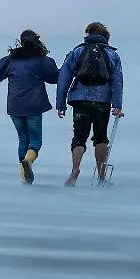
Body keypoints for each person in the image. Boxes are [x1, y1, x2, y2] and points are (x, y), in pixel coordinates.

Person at [0, 30, 60, 183]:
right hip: (34, 105)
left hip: (15, 105)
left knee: (23, 139)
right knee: (35, 140)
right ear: (37, 42)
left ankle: (25, 178)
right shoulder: (43, 61)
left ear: (21, 42)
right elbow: (56, 78)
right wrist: (71, 66)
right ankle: (27, 162)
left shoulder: (9, 61)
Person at [56, 21, 124, 186]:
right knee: (101, 136)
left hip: (80, 99)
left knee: (79, 136)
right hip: (103, 100)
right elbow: (117, 81)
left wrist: (61, 103)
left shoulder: (77, 51)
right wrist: (117, 104)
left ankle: (75, 170)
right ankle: (101, 176)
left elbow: (64, 78)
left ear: (88, 33)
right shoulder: (112, 54)